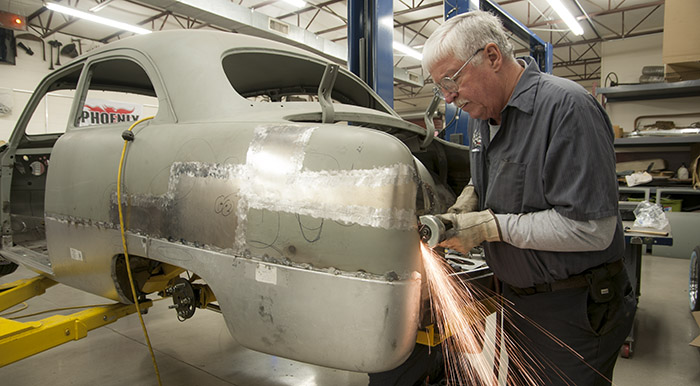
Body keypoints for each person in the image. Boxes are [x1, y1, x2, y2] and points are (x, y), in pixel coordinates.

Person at [421, 10, 636, 386]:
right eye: (440, 88)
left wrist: (491, 227)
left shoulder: (568, 109)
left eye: (452, 80)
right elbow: (494, 173)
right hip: (519, 302)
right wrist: (469, 200)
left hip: (575, 309)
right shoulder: (484, 117)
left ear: (492, 56)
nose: (450, 98)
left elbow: (593, 231)